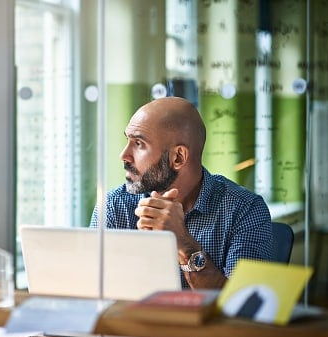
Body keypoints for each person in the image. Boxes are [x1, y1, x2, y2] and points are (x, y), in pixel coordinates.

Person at [90, 96, 273, 289]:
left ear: (178, 157)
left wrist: (183, 243)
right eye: (127, 140)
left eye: (139, 144)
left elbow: (242, 309)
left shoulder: (245, 210)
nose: (124, 155)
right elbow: (89, 291)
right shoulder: (113, 206)